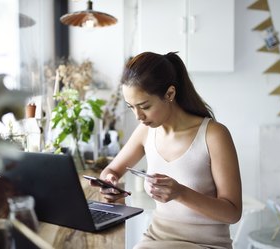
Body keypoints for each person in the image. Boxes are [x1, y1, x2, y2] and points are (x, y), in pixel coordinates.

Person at [94, 51, 242, 249]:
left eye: (144, 106)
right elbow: (111, 171)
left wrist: (180, 193)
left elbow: (232, 213)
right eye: (131, 107)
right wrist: (110, 182)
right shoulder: (146, 132)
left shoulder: (214, 135)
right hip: (156, 239)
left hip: (207, 244)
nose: (138, 116)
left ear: (170, 94)